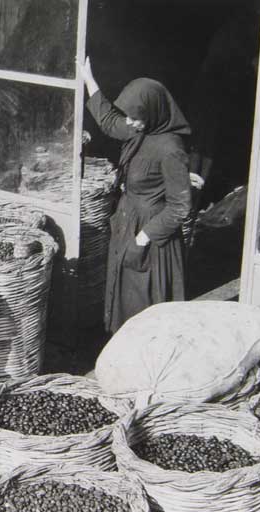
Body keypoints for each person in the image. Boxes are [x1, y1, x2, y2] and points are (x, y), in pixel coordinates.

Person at [80, 57, 193, 333]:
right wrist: (88, 78)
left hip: (152, 240)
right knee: (124, 303)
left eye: (135, 117)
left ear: (153, 111)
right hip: (129, 223)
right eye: (129, 116)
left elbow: (180, 207)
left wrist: (143, 238)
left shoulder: (170, 149)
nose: (129, 122)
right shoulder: (140, 128)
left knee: (143, 309)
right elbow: (109, 121)